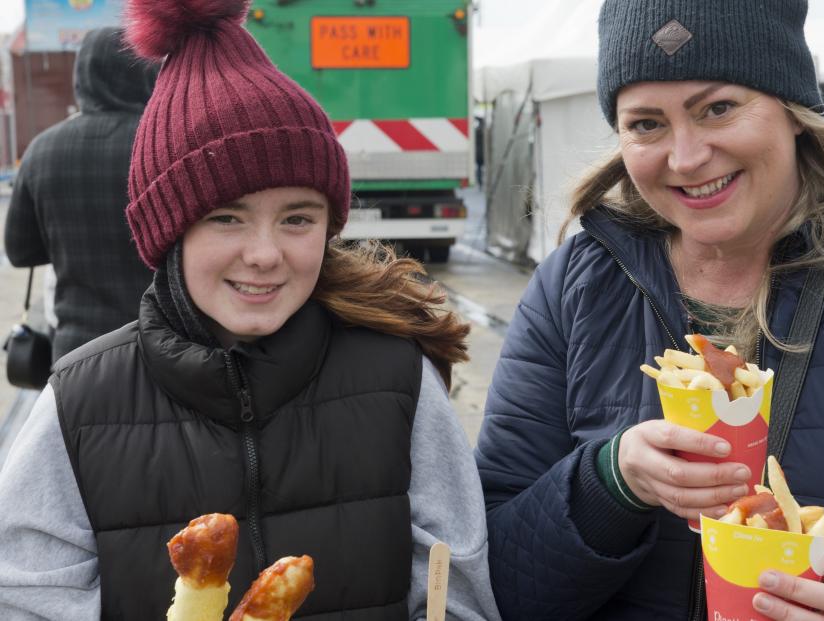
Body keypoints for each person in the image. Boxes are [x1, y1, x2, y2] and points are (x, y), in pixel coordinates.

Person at [0, 1, 501, 620]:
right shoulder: (77, 407)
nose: (264, 254)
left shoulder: (400, 381)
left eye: (297, 218)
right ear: (170, 232)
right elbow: (29, 600)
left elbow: (456, 592)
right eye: (226, 218)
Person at [475, 1, 824, 619]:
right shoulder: (575, 286)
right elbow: (492, 581)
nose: (687, 156)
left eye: (718, 108)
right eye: (646, 123)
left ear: (794, 109)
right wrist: (611, 481)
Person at [4, 27, 157, 361]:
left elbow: (20, 252)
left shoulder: (42, 149)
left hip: (76, 352)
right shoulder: (166, 143)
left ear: (82, 74)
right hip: (163, 343)